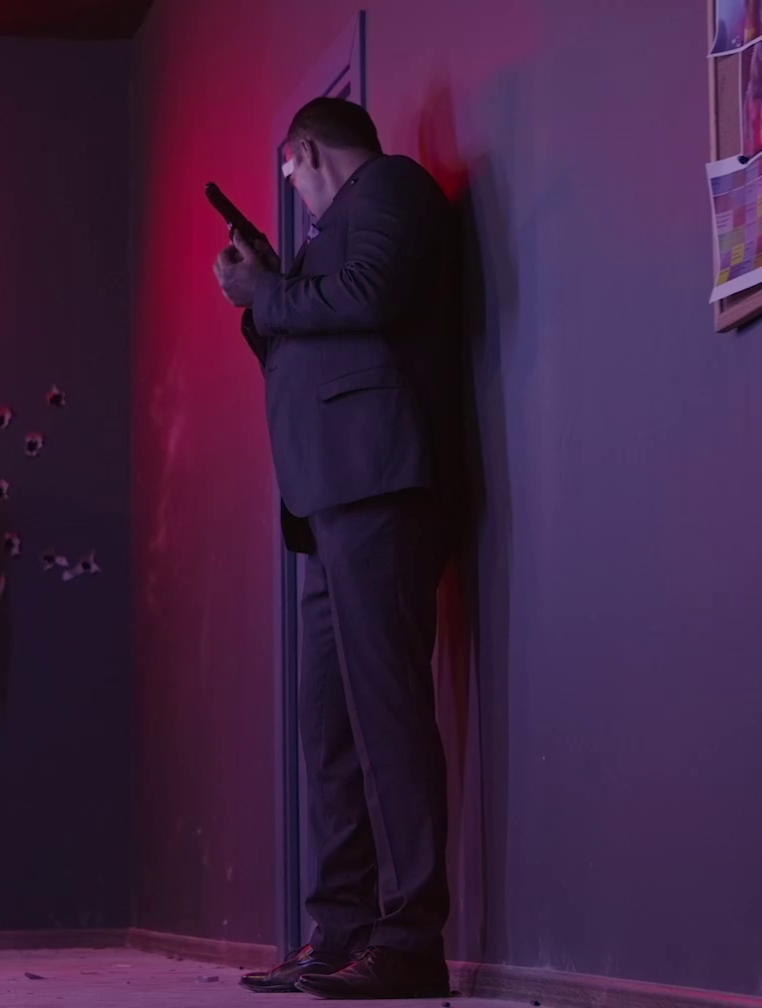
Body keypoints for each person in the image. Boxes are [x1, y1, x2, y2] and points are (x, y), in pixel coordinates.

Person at [212, 97, 458, 1000]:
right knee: (330, 730)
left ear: (305, 151)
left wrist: (268, 294)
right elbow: (310, 343)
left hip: (378, 485)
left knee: (387, 715)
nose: (292, 186)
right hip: (326, 502)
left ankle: (410, 940)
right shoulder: (321, 246)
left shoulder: (390, 187)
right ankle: (342, 930)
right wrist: (268, 293)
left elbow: (372, 296)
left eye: (289, 169)